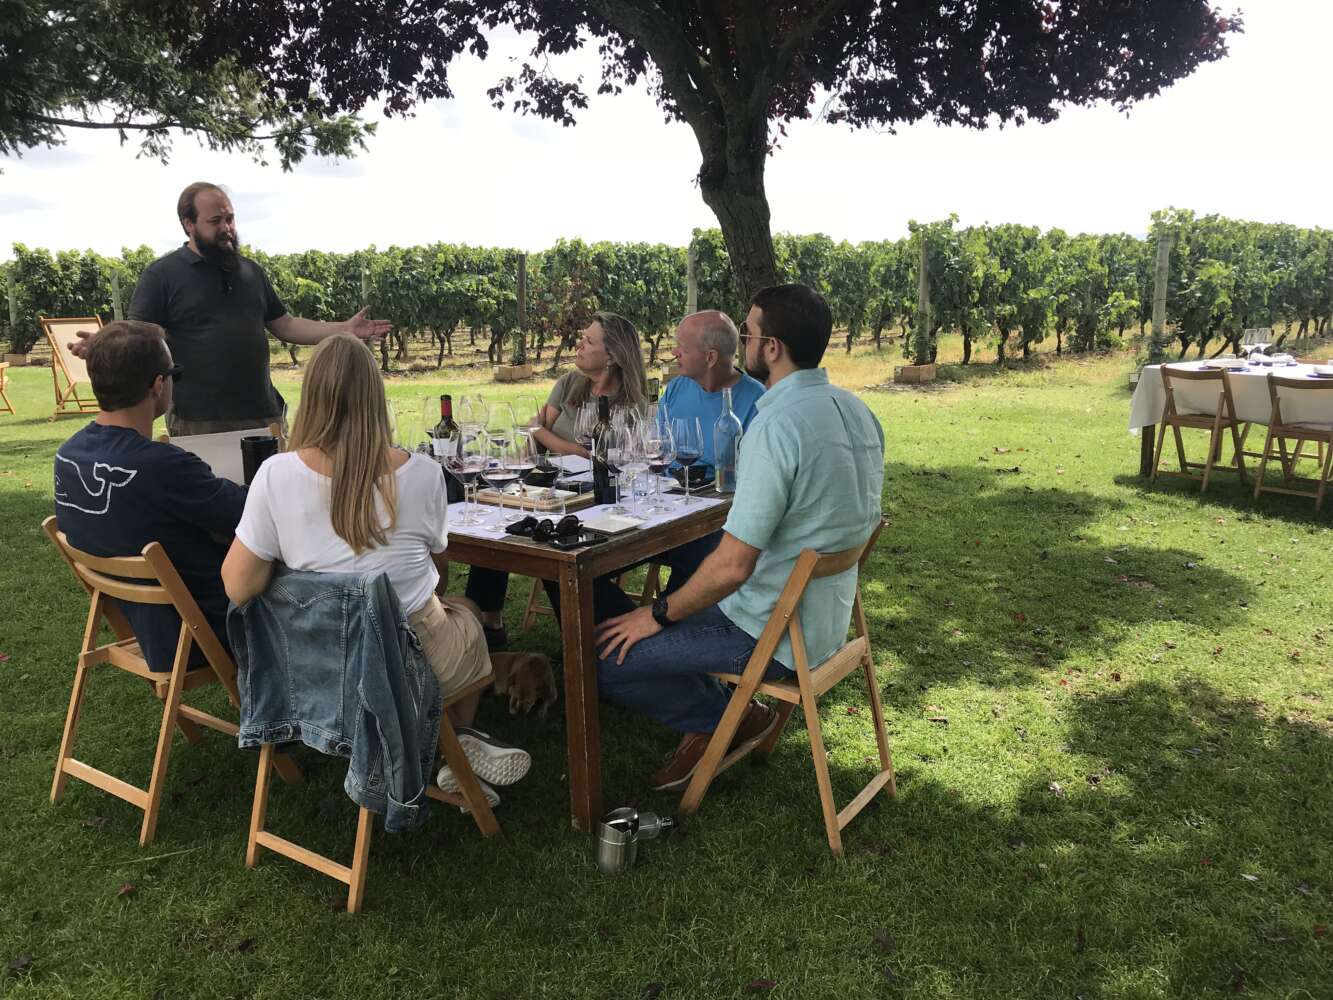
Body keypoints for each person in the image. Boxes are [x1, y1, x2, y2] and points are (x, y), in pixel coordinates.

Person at [593, 284, 885, 791]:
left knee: (606, 661)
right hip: (825, 621)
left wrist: (656, 613)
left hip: (772, 629)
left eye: (748, 332)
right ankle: (724, 715)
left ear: (771, 348)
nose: (742, 341)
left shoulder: (775, 426)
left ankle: (725, 717)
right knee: (661, 612)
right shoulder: (856, 409)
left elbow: (733, 566)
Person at [220, 334, 530, 806]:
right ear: (376, 395)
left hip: (314, 667)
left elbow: (239, 586)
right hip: (407, 666)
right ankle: (457, 742)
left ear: (312, 395)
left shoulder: (275, 475)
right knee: (465, 617)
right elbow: (437, 576)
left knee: (452, 611)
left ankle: (453, 744)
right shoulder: (424, 473)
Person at [70, 182, 391, 436]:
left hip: (264, 415)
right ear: (188, 225)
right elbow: (139, 335)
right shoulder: (162, 275)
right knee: (209, 515)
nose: (226, 227)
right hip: (199, 421)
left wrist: (344, 330)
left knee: (273, 507)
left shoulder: (250, 271)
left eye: (230, 218)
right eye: (215, 221)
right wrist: (104, 343)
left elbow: (286, 325)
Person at [53, 320, 243, 673]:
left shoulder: (67, 455)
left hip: (146, 629)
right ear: (158, 385)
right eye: (174, 374)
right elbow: (248, 515)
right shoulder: (162, 465)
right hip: (208, 631)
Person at [465, 311, 648, 649]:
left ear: (612, 357)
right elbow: (534, 432)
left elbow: (608, 459)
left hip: (592, 496)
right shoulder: (569, 384)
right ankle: (490, 622)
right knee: (496, 522)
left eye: (589, 341)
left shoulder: (630, 404)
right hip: (546, 484)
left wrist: (557, 442)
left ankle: (587, 637)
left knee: (548, 539)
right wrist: (566, 447)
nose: (578, 345)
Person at [660, 310, 765, 470]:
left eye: (683, 348)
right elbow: (656, 448)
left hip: (721, 493)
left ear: (710, 357)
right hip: (669, 492)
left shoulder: (758, 402)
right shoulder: (676, 388)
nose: (675, 353)